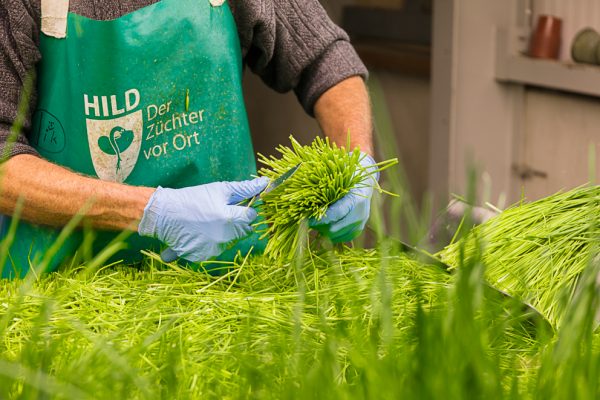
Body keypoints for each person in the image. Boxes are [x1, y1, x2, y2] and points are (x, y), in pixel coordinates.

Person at [0, 0, 376, 278]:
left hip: (227, 277)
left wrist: (356, 162)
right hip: (65, 289)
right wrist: (155, 212)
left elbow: (325, 58)